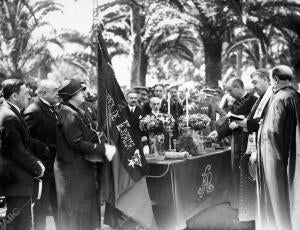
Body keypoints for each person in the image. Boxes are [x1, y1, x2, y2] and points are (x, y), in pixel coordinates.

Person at [54, 79, 115, 230]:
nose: (83, 93)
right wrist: (103, 149)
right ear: (71, 95)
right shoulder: (67, 113)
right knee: (75, 210)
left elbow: (88, 134)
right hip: (72, 171)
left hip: (80, 168)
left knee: (84, 208)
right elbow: (76, 143)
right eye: (80, 91)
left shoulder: (75, 111)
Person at [255, 65, 300, 230]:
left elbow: (271, 132)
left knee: (276, 200)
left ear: (275, 79)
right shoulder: (296, 96)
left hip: (275, 159)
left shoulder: (279, 98)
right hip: (294, 155)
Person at [208, 77, 257, 216]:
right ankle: (239, 206)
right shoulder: (238, 102)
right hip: (237, 143)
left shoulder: (253, 100)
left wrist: (241, 122)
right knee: (237, 173)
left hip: (248, 144)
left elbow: (252, 121)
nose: (229, 93)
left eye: (230, 90)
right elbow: (230, 120)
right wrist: (217, 133)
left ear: (238, 87)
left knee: (246, 175)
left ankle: (248, 209)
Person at [0, 79, 45, 230]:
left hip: (17, 181)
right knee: (18, 224)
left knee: (21, 223)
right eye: (25, 93)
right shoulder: (8, 116)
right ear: (14, 96)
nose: (30, 96)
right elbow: (16, 151)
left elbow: (24, 139)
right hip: (16, 181)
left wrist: (43, 148)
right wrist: (37, 167)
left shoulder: (11, 112)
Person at [23, 79, 59, 230]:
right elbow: (26, 138)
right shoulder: (34, 110)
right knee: (41, 208)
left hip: (55, 168)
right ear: (44, 92)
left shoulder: (52, 108)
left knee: (58, 206)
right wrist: (45, 148)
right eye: (55, 91)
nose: (58, 94)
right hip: (43, 169)